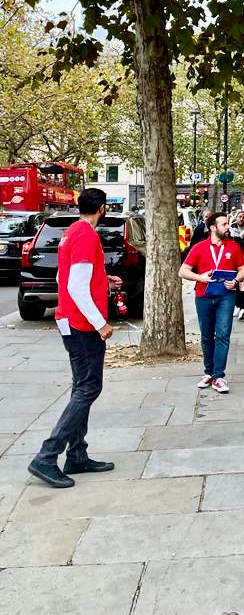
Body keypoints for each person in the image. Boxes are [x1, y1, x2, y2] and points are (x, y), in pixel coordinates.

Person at [27, 188, 120, 488]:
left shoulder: (71, 232)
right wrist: (100, 323)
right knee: (88, 388)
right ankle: (47, 455)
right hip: (82, 325)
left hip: (69, 320)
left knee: (81, 386)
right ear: (103, 208)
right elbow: (77, 286)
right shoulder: (87, 235)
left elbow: (62, 278)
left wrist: (104, 279)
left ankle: (77, 454)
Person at [180, 211, 244, 393]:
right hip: (203, 296)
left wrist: (237, 280)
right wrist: (200, 277)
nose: (227, 227)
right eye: (224, 224)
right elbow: (183, 271)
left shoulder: (233, 247)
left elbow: (243, 268)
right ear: (212, 228)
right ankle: (208, 372)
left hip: (226, 296)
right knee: (207, 336)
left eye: (227, 224)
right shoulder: (199, 248)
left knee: (223, 335)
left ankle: (219, 376)